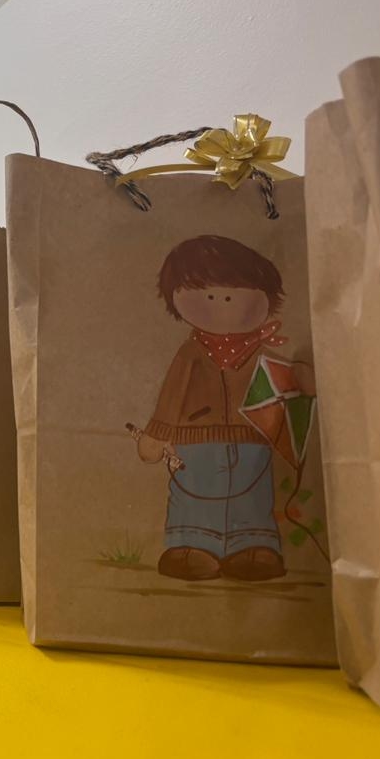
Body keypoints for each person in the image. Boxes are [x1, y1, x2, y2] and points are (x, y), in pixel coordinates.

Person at [136, 235, 311, 582]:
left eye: (233, 294)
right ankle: (190, 546)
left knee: (253, 495)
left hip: (254, 439)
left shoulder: (260, 352)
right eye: (208, 294)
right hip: (194, 440)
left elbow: (282, 379)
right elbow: (171, 396)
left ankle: (253, 546)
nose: (221, 302)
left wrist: (301, 377)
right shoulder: (190, 354)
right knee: (193, 493)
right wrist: (157, 434)